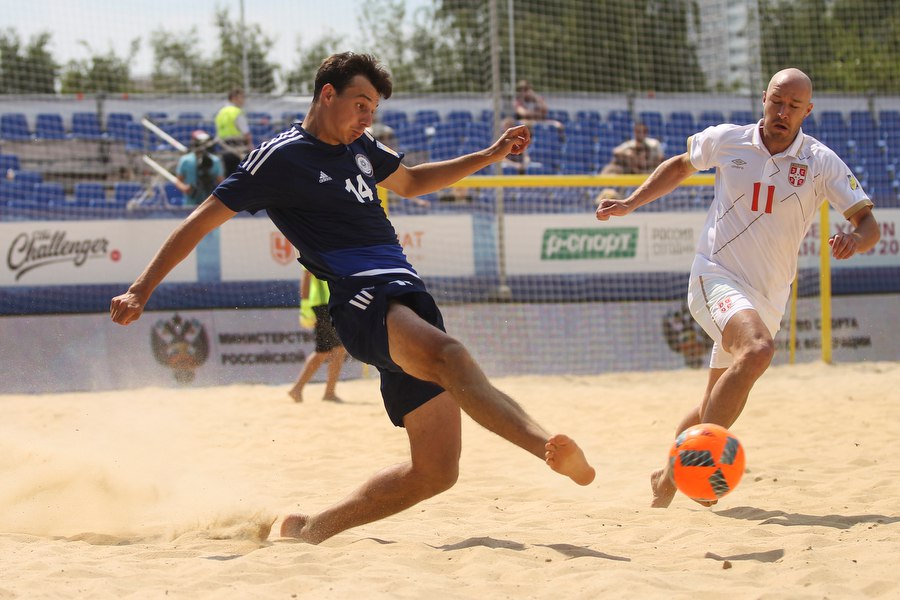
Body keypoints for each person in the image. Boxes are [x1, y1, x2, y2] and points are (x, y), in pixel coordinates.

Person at [110, 52, 596, 544]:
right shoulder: (280, 157)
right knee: (450, 356)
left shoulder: (361, 147)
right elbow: (201, 220)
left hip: (405, 291)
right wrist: (140, 288)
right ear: (327, 95)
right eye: (361, 104)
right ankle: (547, 447)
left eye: (374, 109)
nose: (368, 117)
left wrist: (488, 157)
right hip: (360, 297)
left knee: (436, 474)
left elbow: (411, 183)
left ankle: (310, 530)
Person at [595, 67, 880, 508]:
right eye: (776, 101)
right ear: (764, 98)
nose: (782, 112)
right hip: (715, 275)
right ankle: (691, 471)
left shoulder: (821, 162)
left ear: (808, 111)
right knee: (758, 352)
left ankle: (667, 478)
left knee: (718, 397)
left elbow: (869, 225)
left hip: (768, 296)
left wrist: (854, 240)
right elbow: (679, 165)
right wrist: (632, 202)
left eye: (793, 106)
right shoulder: (729, 139)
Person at [288, 268, 347, 403]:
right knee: (335, 349)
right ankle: (326, 393)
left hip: (328, 304)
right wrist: (305, 306)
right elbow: (306, 278)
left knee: (327, 350)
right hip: (322, 305)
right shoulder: (315, 251)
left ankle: (299, 389)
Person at [174, 130, 225, 206]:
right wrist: (185, 188)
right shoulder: (185, 160)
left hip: (209, 203)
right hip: (190, 203)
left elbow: (221, 182)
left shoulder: (215, 160)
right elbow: (178, 180)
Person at [600, 122, 664, 175]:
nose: (640, 134)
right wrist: (628, 154)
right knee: (611, 167)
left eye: (643, 131)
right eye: (638, 131)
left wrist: (647, 162)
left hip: (649, 171)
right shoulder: (630, 144)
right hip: (631, 171)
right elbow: (616, 151)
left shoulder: (654, 144)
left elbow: (661, 158)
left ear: (646, 133)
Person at [214, 87, 253, 176]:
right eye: (241, 97)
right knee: (241, 178)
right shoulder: (236, 112)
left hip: (224, 150)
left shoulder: (220, 112)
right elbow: (246, 133)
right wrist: (251, 148)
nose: (243, 100)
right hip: (238, 151)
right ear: (234, 98)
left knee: (229, 177)